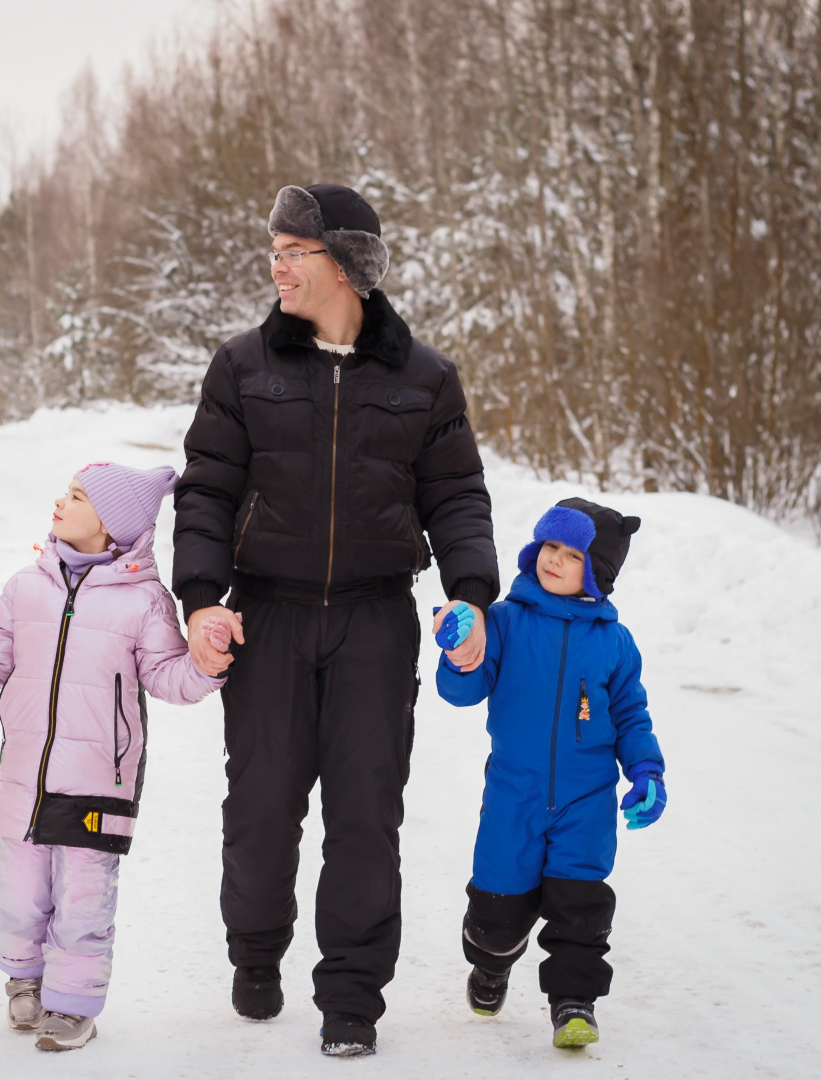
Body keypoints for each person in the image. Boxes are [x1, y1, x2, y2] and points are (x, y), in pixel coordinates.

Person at [173, 183, 500, 1056]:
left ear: (347, 264)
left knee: (364, 816)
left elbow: (458, 495)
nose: (276, 266)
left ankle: (352, 997)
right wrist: (203, 600)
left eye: (294, 251)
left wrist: (470, 593)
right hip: (268, 616)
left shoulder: (423, 377)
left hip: (374, 622)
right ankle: (255, 954)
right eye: (273, 249)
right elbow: (206, 488)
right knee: (261, 808)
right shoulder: (242, 366)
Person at [0, 463, 224, 1052]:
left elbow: (165, 676)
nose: (62, 501)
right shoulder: (26, 588)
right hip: (25, 778)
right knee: (17, 895)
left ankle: (73, 1004)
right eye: (67, 491)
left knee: (84, 900)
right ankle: (23, 977)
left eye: (78, 497)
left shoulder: (145, 602)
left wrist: (204, 666)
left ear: (113, 526)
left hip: (99, 782)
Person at [436, 497, 666, 1048]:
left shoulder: (615, 642)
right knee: (498, 910)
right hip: (514, 794)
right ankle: (492, 967)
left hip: (587, 800)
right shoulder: (504, 622)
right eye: (549, 547)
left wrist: (646, 771)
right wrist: (456, 654)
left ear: (597, 572)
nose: (554, 560)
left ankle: (574, 1002)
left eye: (571, 554)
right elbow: (462, 693)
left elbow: (632, 714)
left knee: (581, 908)